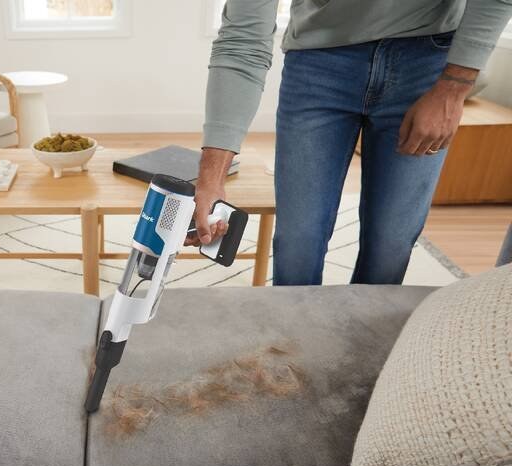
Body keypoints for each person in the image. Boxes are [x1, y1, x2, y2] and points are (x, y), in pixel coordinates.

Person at [186, 0, 512, 285]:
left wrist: (453, 87)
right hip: (317, 59)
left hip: (427, 59)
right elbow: (242, 41)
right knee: (297, 241)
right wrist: (211, 178)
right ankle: (295, 328)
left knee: (391, 243)